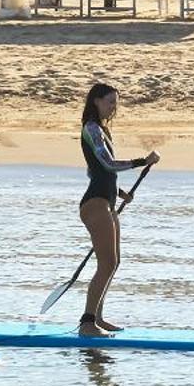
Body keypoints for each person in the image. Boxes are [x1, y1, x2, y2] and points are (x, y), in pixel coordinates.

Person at [78, 82, 158, 338]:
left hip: (107, 202)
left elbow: (99, 172)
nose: (114, 107)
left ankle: (97, 318)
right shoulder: (91, 128)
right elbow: (107, 164)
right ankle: (87, 323)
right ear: (96, 102)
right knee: (107, 262)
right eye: (110, 101)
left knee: (113, 262)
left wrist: (121, 193)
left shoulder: (102, 130)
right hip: (95, 204)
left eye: (116, 102)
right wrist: (141, 162)